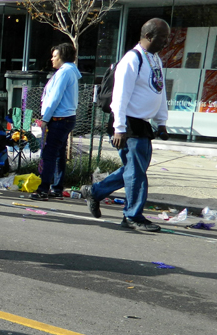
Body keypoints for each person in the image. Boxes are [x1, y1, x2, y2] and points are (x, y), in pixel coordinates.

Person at [81, 18, 170, 232]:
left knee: (134, 169)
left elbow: (159, 91)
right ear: (148, 36)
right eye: (162, 37)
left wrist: (161, 122)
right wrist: (119, 128)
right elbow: (119, 96)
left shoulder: (154, 59)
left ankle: (95, 191)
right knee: (136, 172)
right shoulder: (132, 59)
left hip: (142, 123)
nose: (166, 42)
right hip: (128, 122)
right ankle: (132, 216)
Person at [30, 43, 81, 201]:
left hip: (59, 119)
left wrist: (45, 119)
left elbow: (54, 97)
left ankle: (43, 189)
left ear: (63, 57)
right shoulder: (68, 71)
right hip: (65, 119)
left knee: (49, 154)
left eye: (55, 56)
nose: (52, 59)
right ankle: (57, 188)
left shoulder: (65, 72)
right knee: (58, 154)